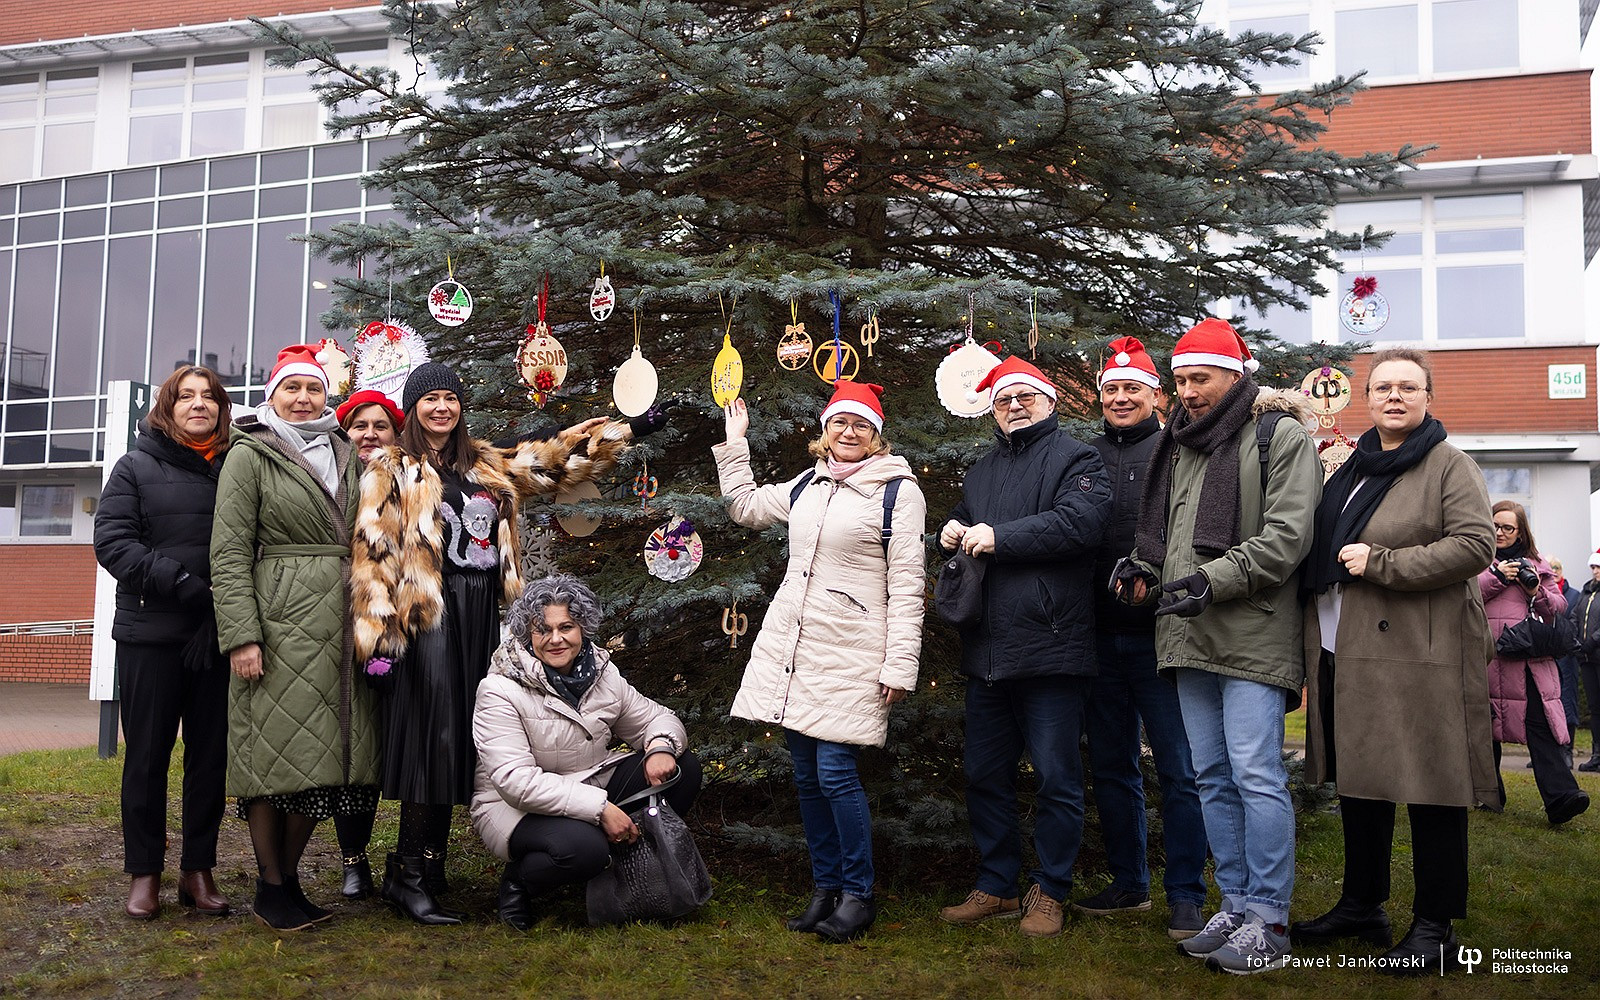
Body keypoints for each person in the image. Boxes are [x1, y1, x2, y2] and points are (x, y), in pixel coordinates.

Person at [350, 362, 661, 925]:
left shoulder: (485, 464)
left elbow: (553, 463)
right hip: (429, 617)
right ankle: (408, 874)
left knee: (463, 741)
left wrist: (627, 430)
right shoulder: (391, 468)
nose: (441, 407)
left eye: (450, 398)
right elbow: (373, 556)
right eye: (430, 399)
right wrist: (378, 642)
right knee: (433, 741)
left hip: (479, 615)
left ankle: (431, 867)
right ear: (413, 408)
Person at [1116, 318, 1320, 974]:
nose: (1187, 392)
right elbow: (1170, 540)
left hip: (1253, 631)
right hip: (1187, 631)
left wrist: (1214, 578)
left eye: (1199, 378)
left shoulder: (1279, 435)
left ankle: (1271, 920)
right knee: (1210, 776)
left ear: (1235, 376)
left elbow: (1288, 537)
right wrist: (1142, 569)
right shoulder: (1178, 443)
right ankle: (1234, 904)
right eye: (1179, 380)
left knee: (1256, 774)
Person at [1290, 348, 1498, 975]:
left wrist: (1381, 563)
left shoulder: (1448, 464)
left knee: (1435, 785)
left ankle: (1435, 927)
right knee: (1361, 781)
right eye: (1383, 387)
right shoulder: (1353, 466)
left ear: (1429, 396)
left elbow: (1475, 545)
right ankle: (1362, 905)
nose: (1395, 397)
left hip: (1418, 652)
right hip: (1344, 646)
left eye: (1409, 387)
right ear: (1368, 398)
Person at [714, 381, 925, 943]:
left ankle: (858, 895)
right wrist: (735, 442)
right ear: (825, 430)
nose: (849, 433)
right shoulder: (809, 483)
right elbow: (744, 507)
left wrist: (900, 664)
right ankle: (825, 889)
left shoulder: (898, 492)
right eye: (840, 423)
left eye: (861, 425)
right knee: (808, 777)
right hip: (798, 649)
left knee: (835, 772)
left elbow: (908, 583)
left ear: (876, 435)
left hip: (855, 652)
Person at [936, 355, 1112, 940]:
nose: (1013, 406)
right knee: (984, 774)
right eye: (1003, 400)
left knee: (1057, 778)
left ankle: (1051, 890)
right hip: (988, 650)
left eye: (1024, 397)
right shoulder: (981, 471)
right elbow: (966, 518)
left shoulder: (1078, 458)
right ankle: (998, 885)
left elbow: (1079, 525)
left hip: (1052, 647)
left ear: (1049, 402)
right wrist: (950, 530)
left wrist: (1000, 538)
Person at [211, 344, 379, 931]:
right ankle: (270, 886)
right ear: (273, 395)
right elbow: (229, 552)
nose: (303, 399)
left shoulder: (344, 451)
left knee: (322, 759)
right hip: (279, 623)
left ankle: (290, 880)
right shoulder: (249, 454)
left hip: (341, 625)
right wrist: (241, 636)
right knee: (270, 754)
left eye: (313, 389)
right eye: (292, 388)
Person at [470, 574, 699, 929]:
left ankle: (627, 866)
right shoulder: (499, 689)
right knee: (585, 850)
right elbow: (516, 782)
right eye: (542, 629)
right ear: (527, 634)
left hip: (590, 781)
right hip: (515, 806)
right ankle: (518, 882)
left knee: (683, 769)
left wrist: (659, 748)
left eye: (566, 627)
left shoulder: (601, 673)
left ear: (582, 628)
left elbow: (656, 719)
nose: (556, 639)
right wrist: (600, 808)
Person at [94, 366, 234, 920]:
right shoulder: (135, 466)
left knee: (211, 759)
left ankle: (197, 870)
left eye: (209, 397)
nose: (199, 404)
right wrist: (181, 583)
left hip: (216, 635)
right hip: (151, 635)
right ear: (167, 407)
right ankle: (144, 872)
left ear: (221, 408)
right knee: (147, 759)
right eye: (186, 396)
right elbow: (113, 542)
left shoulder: (237, 466)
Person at [1080, 337, 1207, 941]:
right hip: (1099, 638)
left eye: (1133, 388)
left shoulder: (1179, 450)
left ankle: (1186, 894)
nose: (1121, 398)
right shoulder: (1083, 457)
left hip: (1165, 637)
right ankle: (1129, 883)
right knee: (1112, 767)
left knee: (1181, 771)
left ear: (1157, 395)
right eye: (1112, 389)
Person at [323, 389, 406, 900]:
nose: (370, 434)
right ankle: (352, 859)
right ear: (345, 431)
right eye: (360, 425)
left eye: (381, 426)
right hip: (334, 622)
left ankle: (416, 858)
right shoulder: (330, 478)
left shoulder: (409, 479)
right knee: (348, 745)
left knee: (381, 744)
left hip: (396, 627)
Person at [1479, 501, 1589, 824]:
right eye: (1495, 525)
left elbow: (1558, 606)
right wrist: (1498, 577)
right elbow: (1466, 595)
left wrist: (1535, 590)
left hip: (1527, 660)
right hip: (1486, 657)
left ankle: (1562, 798)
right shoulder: (1478, 557)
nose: (1500, 532)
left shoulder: (1537, 563)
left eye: (1507, 527)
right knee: (1483, 729)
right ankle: (1488, 796)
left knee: (1541, 725)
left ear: (1521, 531)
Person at [1549, 557, 1581, 770]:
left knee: (1567, 701)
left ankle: (1567, 750)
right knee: (1548, 704)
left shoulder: (1574, 595)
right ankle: (1550, 752)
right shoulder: (1542, 591)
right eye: (1550, 569)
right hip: (1547, 655)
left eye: (1557, 568)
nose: (1554, 572)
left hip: (1567, 658)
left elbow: (1574, 624)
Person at [1574, 550, 1600, 772]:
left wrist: (1592, 641)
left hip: (1596, 652)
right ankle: (1597, 754)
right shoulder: (1586, 591)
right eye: (1593, 567)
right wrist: (1576, 640)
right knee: (1595, 708)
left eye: (1598, 567)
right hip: (1587, 658)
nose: (1595, 571)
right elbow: (1575, 615)